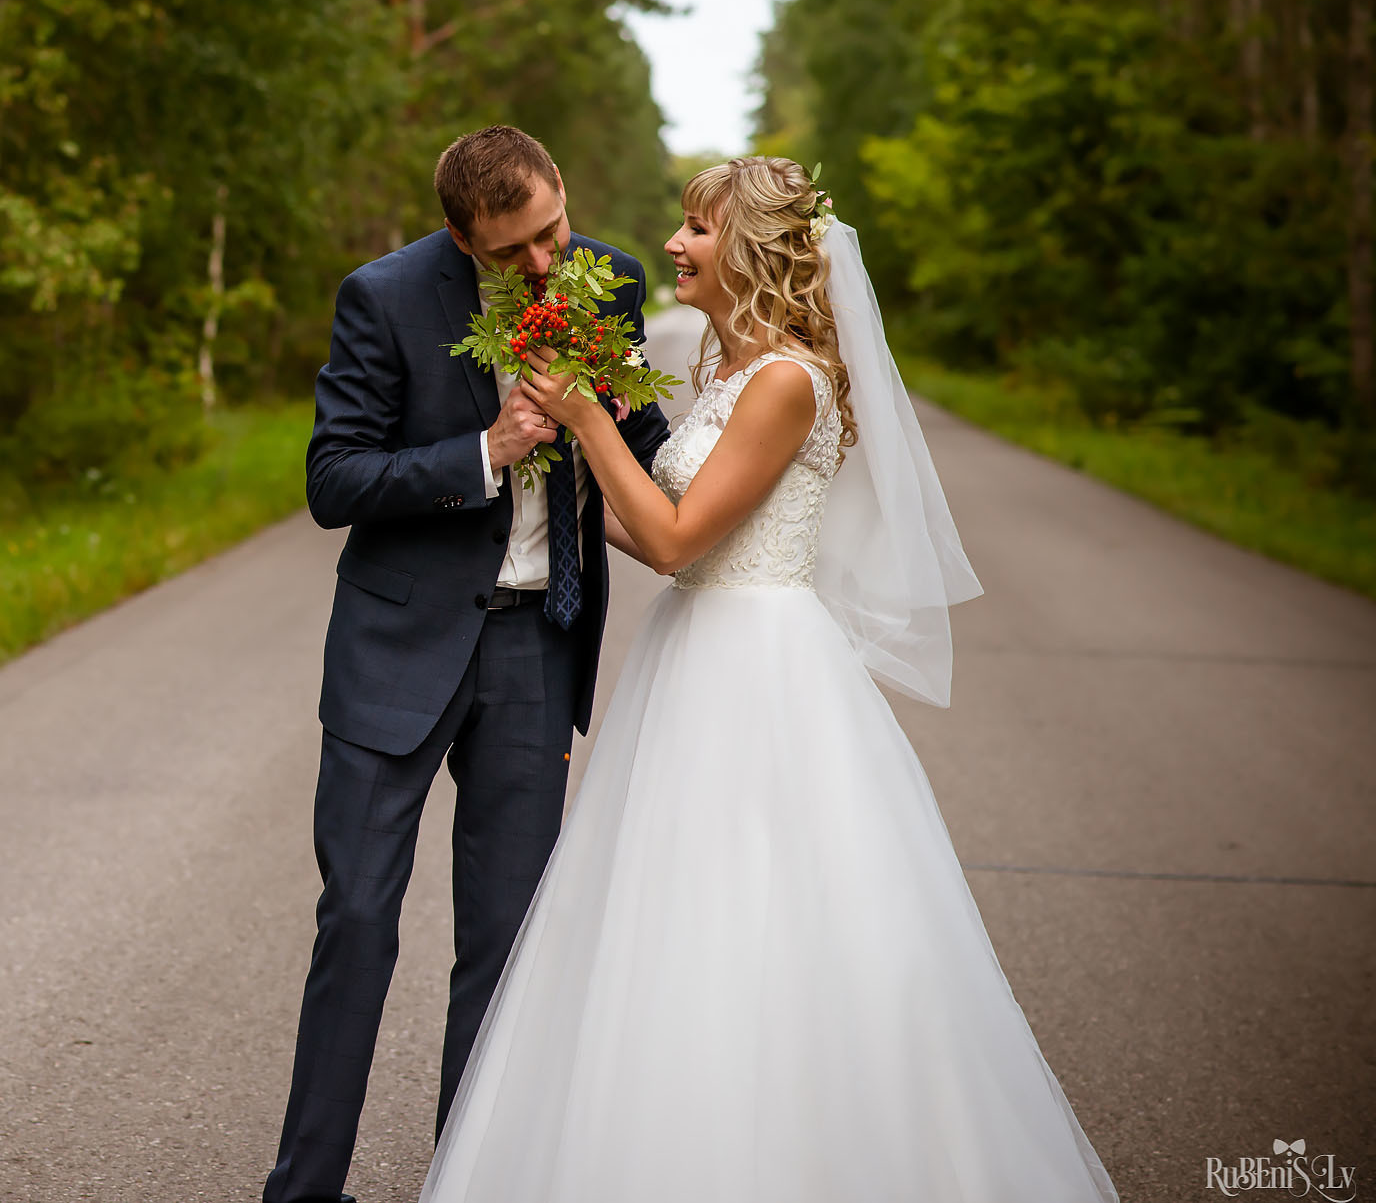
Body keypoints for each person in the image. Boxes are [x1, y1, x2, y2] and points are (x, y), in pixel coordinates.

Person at [416, 156, 1118, 1202]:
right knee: (659, 911)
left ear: (747, 248)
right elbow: (636, 522)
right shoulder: (725, 372)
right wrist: (544, 466)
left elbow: (675, 539)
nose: (672, 247)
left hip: (758, 667)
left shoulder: (788, 383)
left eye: (697, 229)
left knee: (757, 909)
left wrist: (590, 421)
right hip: (692, 654)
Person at [265, 125, 671, 1203]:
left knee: (506, 938)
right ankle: (303, 1192)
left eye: (552, 231)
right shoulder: (384, 296)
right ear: (459, 237)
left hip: (538, 641)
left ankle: (471, 1180)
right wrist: (479, 455)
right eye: (510, 251)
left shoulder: (613, 281)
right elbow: (333, 479)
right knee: (356, 918)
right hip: (397, 642)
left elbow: (648, 437)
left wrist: (626, 419)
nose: (542, 264)